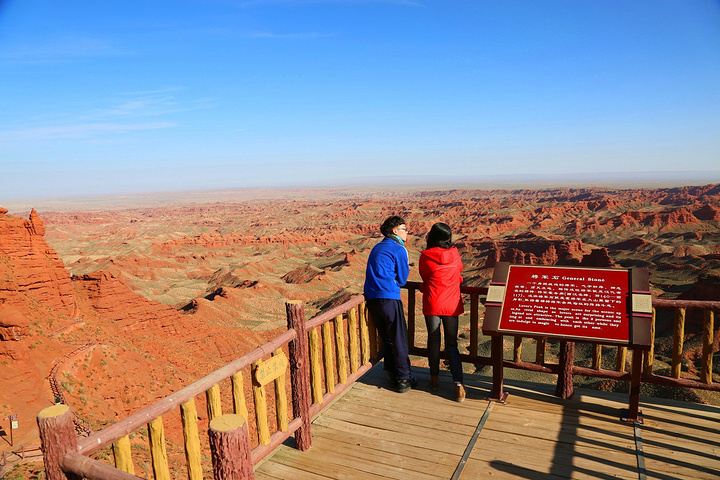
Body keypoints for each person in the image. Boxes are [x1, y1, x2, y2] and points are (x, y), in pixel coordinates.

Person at [364, 215, 417, 393]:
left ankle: (391, 373)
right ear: (394, 231)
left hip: (372, 299)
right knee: (399, 339)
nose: (407, 232)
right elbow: (402, 279)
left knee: (386, 338)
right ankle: (403, 379)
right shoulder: (398, 249)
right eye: (404, 229)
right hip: (389, 298)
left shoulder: (377, 247)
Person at [419, 222, 466, 402]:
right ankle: (459, 384)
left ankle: (434, 380)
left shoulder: (425, 256)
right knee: (452, 344)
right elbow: (459, 274)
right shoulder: (455, 255)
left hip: (433, 302)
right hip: (452, 303)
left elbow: (425, 277)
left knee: (434, 340)